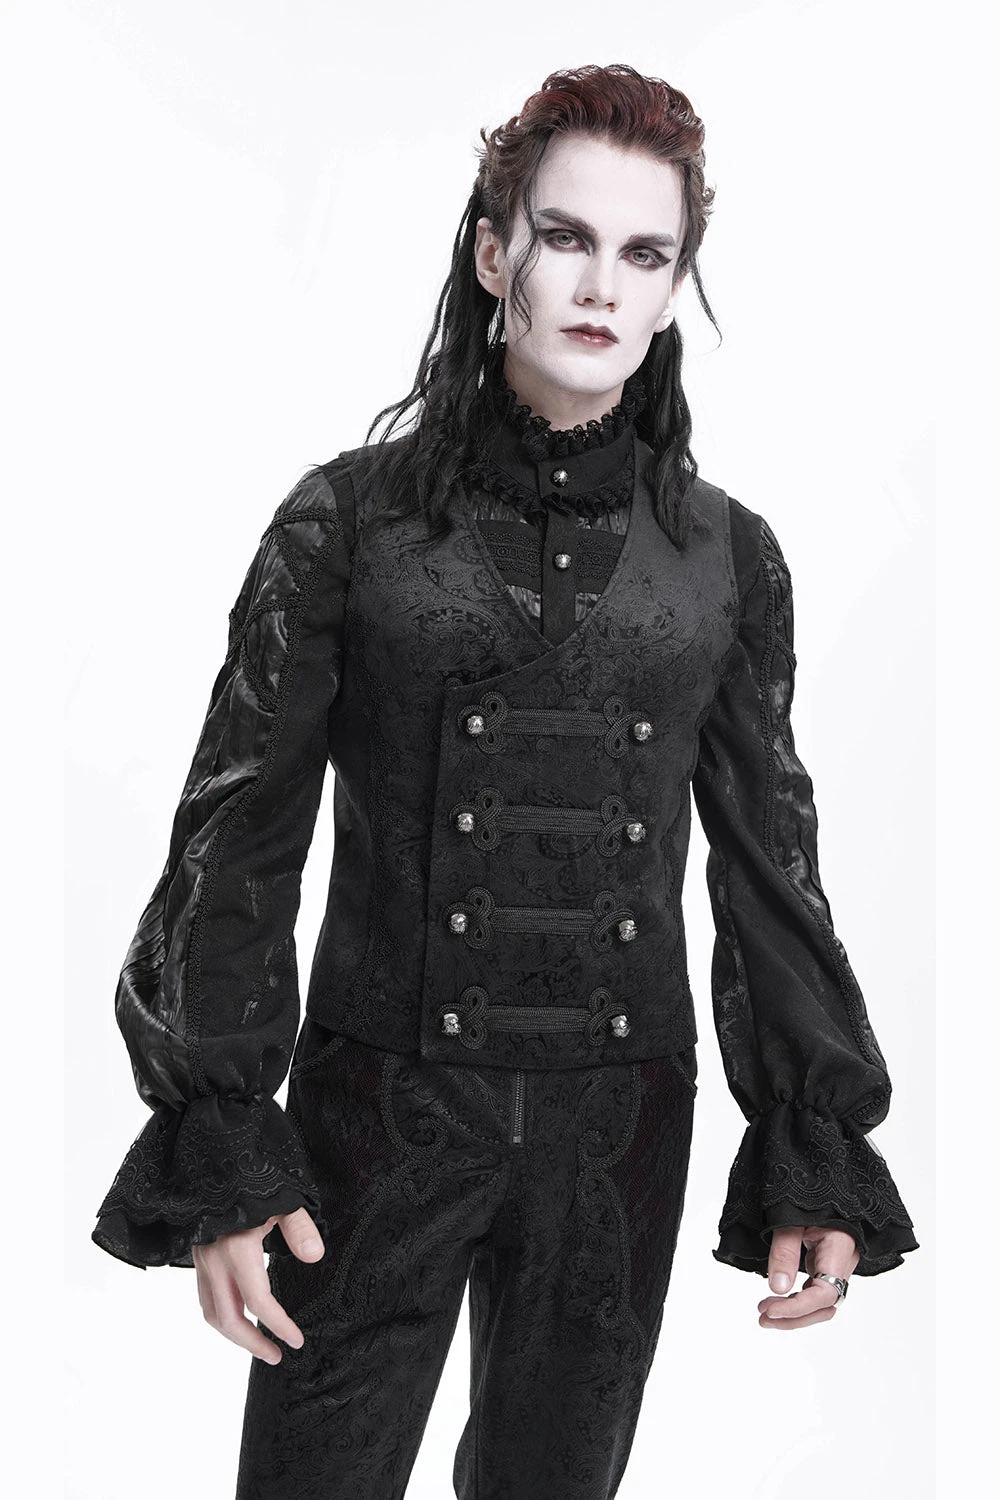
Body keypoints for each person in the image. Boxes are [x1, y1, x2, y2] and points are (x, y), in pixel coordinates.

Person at [92, 63, 919, 1499]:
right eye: (567, 236)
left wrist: (811, 1133)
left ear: (674, 287)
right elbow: (236, 842)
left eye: (645, 253)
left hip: (620, 1134)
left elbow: (770, 865)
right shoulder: (346, 525)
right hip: (373, 1118)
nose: (601, 285)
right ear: (494, 253)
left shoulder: (730, 558)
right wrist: (222, 1132)